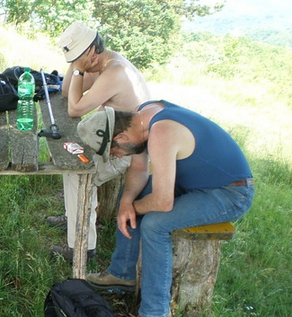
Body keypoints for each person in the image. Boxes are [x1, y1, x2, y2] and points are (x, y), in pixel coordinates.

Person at [76, 101, 255, 317]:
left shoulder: (161, 131)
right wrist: (126, 203)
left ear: (120, 138)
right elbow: (140, 168)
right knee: (130, 192)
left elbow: (163, 202)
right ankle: (123, 274)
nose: (118, 156)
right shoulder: (143, 116)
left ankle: (155, 312)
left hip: (230, 193)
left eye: (114, 151)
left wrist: (132, 208)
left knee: (155, 225)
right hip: (194, 182)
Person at [48, 21, 151, 261]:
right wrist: (76, 65)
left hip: (126, 152)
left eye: (79, 56)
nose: (76, 63)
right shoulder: (104, 63)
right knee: (69, 157)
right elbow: (66, 91)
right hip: (111, 141)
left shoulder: (114, 71)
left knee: (78, 171)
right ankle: (73, 217)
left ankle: (83, 247)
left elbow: (74, 109)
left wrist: (80, 70)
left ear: (92, 52)